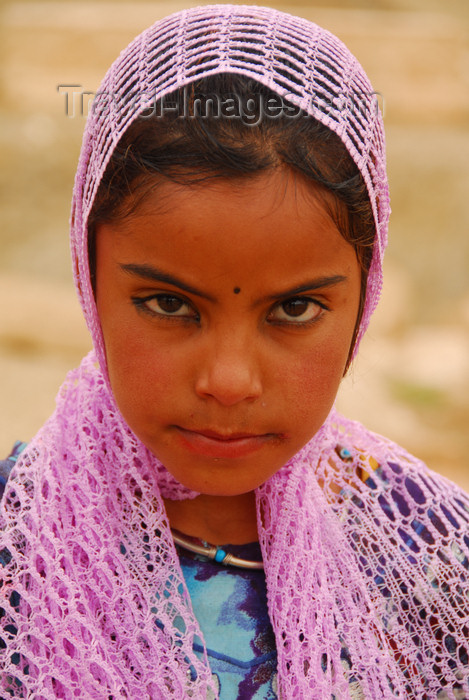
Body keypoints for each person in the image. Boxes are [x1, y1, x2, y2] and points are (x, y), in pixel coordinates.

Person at [1, 5, 468, 698]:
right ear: (88, 277)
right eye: (168, 304)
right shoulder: (18, 549)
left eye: (293, 309)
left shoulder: (431, 565)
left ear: (364, 299)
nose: (228, 381)